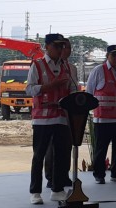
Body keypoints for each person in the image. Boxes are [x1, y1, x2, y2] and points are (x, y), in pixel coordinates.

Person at [25, 33, 72, 205]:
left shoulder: (66, 66)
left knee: (60, 156)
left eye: (62, 46)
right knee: (39, 156)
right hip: (42, 119)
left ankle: (57, 189)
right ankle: (35, 192)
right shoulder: (37, 65)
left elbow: (71, 89)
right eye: (57, 46)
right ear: (47, 46)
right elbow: (29, 90)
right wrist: (49, 87)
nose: (60, 50)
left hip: (61, 118)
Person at [86, 45, 116, 184]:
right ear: (107, 56)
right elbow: (89, 92)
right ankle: (99, 174)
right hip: (103, 119)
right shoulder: (98, 70)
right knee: (101, 148)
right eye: (114, 55)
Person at [44, 38, 77, 189]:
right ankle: (51, 177)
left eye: (69, 48)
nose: (67, 50)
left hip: (69, 113)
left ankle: (64, 175)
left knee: (66, 146)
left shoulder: (72, 68)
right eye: (64, 47)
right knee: (52, 147)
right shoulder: (47, 66)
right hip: (51, 113)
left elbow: (74, 88)